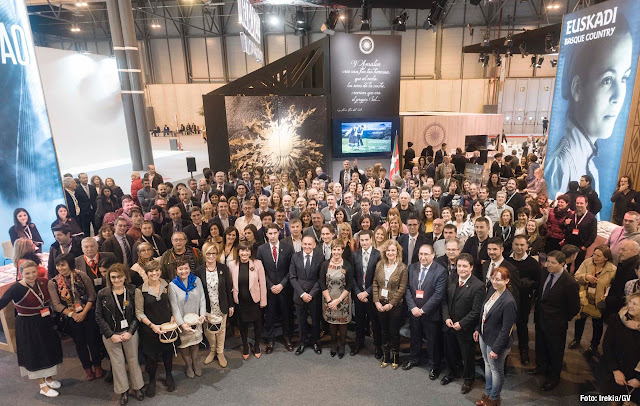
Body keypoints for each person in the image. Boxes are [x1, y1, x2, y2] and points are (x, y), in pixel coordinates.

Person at [545, 17, 633, 198]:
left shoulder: (589, 165)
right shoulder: (562, 163)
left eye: (624, 78)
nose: (618, 96)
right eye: (607, 80)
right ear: (577, 88)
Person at [0, 260, 63, 398]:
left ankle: (49, 379)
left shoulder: (43, 282)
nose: (31, 275)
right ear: (21, 274)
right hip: (27, 325)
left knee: (49, 349)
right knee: (36, 353)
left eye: (33, 272)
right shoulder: (15, 288)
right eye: (27, 273)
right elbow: (2, 303)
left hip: (45, 321)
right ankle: (42, 386)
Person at [529, 251, 580, 391]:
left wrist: (562, 319)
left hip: (556, 323)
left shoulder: (570, 282)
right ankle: (541, 367)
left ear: (562, 264)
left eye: (552, 262)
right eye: (547, 261)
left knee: (555, 351)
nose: (548, 265)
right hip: (540, 318)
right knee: (540, 345)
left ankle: (553, 378)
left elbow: (574, 308)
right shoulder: (545, 272)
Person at [48, 254, 103, 380]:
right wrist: (73, 314)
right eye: (58, 265)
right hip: (70, 316)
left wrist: (83, 313)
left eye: (63, 264)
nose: (60, 268)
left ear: (70, 264)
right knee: (80, 343)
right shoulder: (54, 282)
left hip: (87, 313)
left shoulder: (81, 276)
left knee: (93, 341)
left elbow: (92, 296)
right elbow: (56, 304)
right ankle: (87, 368)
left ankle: (97, 365)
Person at [96, 263, 145, 404]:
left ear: (125, 277)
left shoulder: (132, 290)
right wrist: (111, 334)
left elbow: (137, 314)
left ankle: (137, 387)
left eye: (119, 277)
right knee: (117, 363)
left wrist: (130, 332)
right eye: (113, 277)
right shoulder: (103, 294)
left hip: (129, 332)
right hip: (111, 334)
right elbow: (99, 317)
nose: (116, 280)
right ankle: (123, 390)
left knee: (133, 360)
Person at [474, 266, 517, 406]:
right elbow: (483, 312)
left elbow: (506, 329)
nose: (494, 282)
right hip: (485, 336)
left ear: (507, 280)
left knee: (496, 370)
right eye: (493, 278)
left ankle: (494, 398)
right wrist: (477, 329)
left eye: (498, 279)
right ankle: (487, 394)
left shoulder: (509, 301)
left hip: (497, 342)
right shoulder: (492, 290)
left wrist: (496, 349)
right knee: (487, 366)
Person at [441, 253, 484, 392]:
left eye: (465, 266)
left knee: (467, 356)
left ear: (471, 267)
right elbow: (444, 301)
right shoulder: (451, 278)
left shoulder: (478, 286)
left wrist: (462, 323)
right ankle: (453, 372)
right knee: (450, 352)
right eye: (459, 266)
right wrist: (446, 317)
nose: (461, 269)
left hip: (465, 328)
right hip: (449, 325)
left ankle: (468, 379)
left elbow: (476, 311)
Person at [402, 244, 447, 377]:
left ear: (433, 255)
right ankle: (414, 359)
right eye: (421, 254)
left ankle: (434, 366)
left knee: (432, 341)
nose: (423, 257)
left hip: (430, 314)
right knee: (415, 337)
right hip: (414, 311)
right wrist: (413, 308)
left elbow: (438, 295)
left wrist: (422, 310)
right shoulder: (412, 267)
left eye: (426, 254)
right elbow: (407, 288)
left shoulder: (440, 271)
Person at [134, 261, 177, 396]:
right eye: (151, 271)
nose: (155, 273)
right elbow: (139, 313)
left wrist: (174, 316)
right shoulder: (140, 290)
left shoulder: (167, 284)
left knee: (168, 354)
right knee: (151, 358)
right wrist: (152, 326)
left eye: (157, 270)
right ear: (146, 273)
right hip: (149, 330)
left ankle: (169, 375)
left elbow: (173, 303)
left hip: (166, 327)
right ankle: (152, 381)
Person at [568, 245, 616, 358]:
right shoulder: (587, 262)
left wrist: (607, 295)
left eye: (598, 256)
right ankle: (577, 339)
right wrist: (586, 277)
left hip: (598, 300)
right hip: (584, 298)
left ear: (606, 258)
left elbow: (613, 286)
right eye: (594, 254)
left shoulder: (612, 269)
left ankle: (594, 346)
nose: (595, 257)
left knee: (597, 325)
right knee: (580, 320)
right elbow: (576, 276)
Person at [256, 224, 294, 353]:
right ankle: (270, 340)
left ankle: (287, 338)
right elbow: (260, 271)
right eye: (270, 233)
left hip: (285, 288)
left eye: (274, 233)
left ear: (279, 233)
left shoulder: (288, 248)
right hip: (269, 289)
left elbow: (291, 270)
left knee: (286, 315)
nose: (272, 236)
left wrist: (282, 284)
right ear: (266, 234)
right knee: (270, 315)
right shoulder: (261, 249)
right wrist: (271, 285)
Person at [195, 242, 233, 367]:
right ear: (204, 255)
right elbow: (198, 292)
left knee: (221, 330)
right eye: (208, 253)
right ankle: (212, 350)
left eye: (213, 253)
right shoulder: (199, 271)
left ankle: (220, 352)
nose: (211, 256)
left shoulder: (223, 268)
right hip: (207, 307)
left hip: (221, 304)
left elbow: (228, 288)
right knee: (209, 331)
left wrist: (231, 305)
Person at [373, 239, 408, 369]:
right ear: (385, 252)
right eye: (388, 250)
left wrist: (391, 304)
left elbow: (402, 289)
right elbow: (375, 283)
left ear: (397, 251)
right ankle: (385, 355)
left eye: (393, 250)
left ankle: (395, 356)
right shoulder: (379, 265)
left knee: (394, 332)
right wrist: (376, 301)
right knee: (384, 331)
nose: (390, 252)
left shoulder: (402, 267)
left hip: (395, 306)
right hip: (380, 303)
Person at [506, 235, 541, 366]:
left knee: (522, 325)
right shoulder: (506, 261)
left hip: (524, 300)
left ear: (527, 246)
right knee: (506, 326)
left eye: (522, 245)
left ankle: (524, 351)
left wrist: (529, 285)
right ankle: (504, 352)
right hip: (507, 299)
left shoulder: (533, 263)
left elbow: (539, 282)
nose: (519, 247)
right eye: (516, 244)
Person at [229, 241, 267, 359]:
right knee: (243, 325)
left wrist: (263, 301)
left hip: (254, 300)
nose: (244, 253)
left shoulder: (257, 263)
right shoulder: (231, 264)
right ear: (238, 252)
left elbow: (263, 284)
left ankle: (256, 345)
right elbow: (229, 284)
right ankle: (245, 345)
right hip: (240, 301)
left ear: (250, 252)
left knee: (257, 324)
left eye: (247, 250)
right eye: (242, 250)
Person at [169, 259, 206, 378]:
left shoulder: (196, 281)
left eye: (186, 268)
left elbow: (202, 299)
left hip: (196, 319)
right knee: (185, 345)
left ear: (190, 269)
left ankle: (195, 363)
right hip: (183, 321)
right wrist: (181, 324)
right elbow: (174, 307)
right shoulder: (172, 285)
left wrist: (202, 314)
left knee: (195, 343)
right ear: (176, 270)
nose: (183, 271)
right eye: (180, 269)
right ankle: (188, 365)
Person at [601, 292, 640, 405]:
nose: (630, 306)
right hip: (615, 370)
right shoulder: (617, 319)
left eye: (636, 304)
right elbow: (607, 345)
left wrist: (639, 379)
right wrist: (615, 370)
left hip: (635, 374)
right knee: (614, 400)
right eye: (630, 302)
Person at [290, 235, 323, 355]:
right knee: (301, 320)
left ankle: (315, 342)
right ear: (301, 244)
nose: (307, 246)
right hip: (299, 295)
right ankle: (303, 342)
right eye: (305, 244)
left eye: (310, 244)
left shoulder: (320, 257)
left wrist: (311, 294)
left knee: (315, 320)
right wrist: (302, 294)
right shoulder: (295, 257)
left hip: (314, 296)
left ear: (314, 245)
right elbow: (293, 278)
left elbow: (320, 279)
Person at [320, 240, 354, 359]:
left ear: (342, 250)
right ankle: (333, 343)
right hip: (329, 299)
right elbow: (322, 283)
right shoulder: (325, 265)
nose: (336, 252)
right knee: (332, 323)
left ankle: (342, 345)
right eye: (334, 249)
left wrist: (338, 300)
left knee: (343, 323)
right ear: (331, 250)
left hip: (343, 300)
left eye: (338, 249)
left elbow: (349, 285)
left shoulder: (347, 265)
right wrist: (330, 301)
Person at [564, 195, 597, 270]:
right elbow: (563, 227)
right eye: (577, 203)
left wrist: (585, 247)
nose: (579, 205)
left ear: (586, 204)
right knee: (566, 265)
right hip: (569, 244)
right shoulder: (571, 214)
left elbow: (593, 235)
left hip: (581, 246)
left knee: (578, 266)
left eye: (581, 203)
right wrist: (565, 224)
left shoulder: (591, 218)